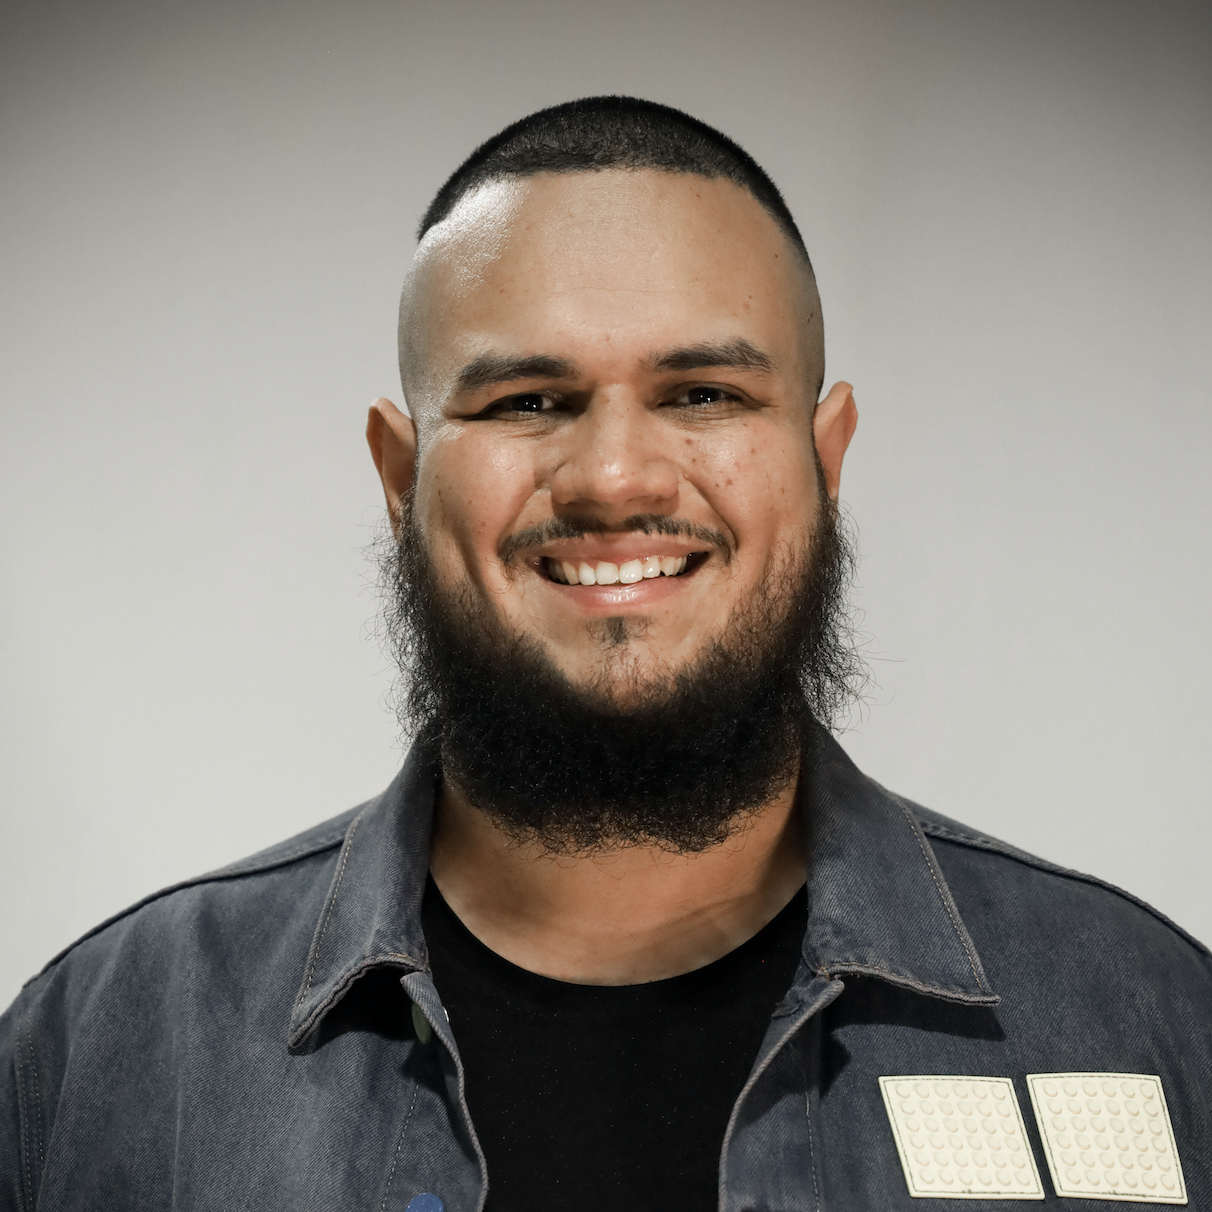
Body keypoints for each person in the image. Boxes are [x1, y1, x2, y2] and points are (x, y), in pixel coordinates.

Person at [2, 96, 1209, 1212]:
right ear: (400, 475)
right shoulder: (103, 1051)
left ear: (825, 458)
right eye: (528, 400)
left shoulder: (1145, 1018)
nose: (616, 478)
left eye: (702, 393)